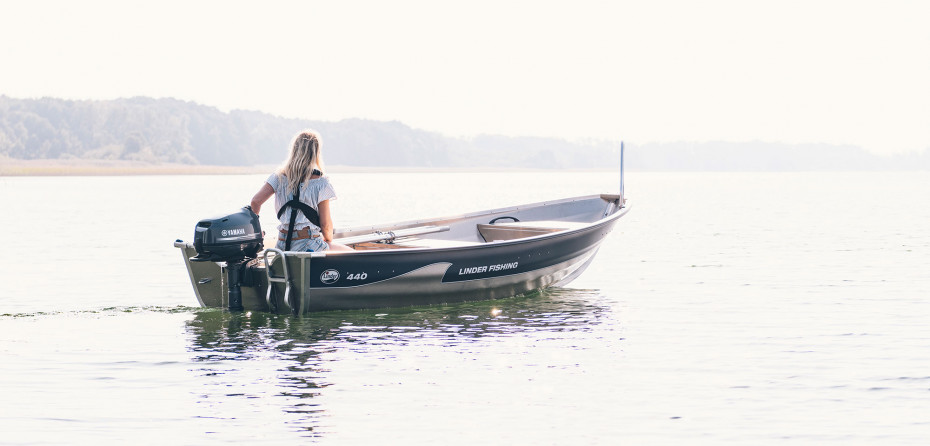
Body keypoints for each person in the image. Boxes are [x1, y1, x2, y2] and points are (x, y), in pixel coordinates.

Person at [250, 130, 352, 252]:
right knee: (351, 253)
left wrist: (256, 233)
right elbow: (326, 225)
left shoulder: (278, 177)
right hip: (309, 244)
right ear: (315, 153)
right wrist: (328, 240)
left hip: (282, 245)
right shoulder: (321, 182)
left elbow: (255, 202)